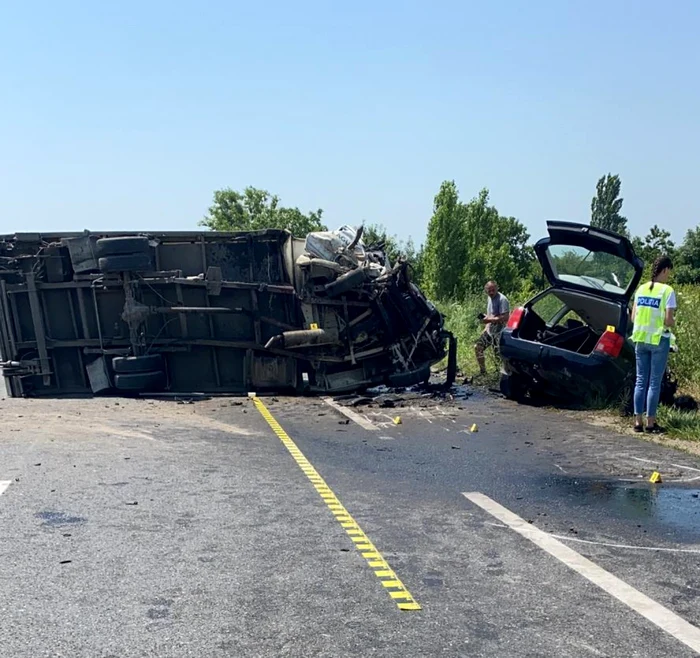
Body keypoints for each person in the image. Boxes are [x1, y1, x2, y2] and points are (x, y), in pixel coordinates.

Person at [630, 255, 676, 434]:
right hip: (658, 340)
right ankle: (651, 423)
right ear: (664, 270)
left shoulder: (641, 289)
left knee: (640, 381)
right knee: (654, 383)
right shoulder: (667, 291)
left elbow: (633, 317)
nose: (668, 277)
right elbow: (668, 320)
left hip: (640, 340)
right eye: (668, 273)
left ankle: (637, 422)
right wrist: (673, 322)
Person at [474, 280, 510, 376]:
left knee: (498, 356)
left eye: (493, 290)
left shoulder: (502, 299)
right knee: (478, 347)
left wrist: (489, 320)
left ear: (497, 288)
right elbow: (490, 314)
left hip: (499, 332)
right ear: (486, 291)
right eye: (489, 291)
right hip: (490, 331)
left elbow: (506, 317)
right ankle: (483, 372)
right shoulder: (489, 298)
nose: (491, 292)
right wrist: (486, 327)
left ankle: (500, 375)